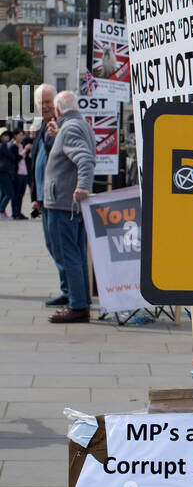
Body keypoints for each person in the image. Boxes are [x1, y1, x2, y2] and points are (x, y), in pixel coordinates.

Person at [42, 89, 96, 323]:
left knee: (68, 254)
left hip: (64, 203)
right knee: (77, 254)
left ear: (57, 110)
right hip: (69, 203)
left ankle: (78, 306)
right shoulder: (79, 125)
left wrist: (82, 186)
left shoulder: (71, 127)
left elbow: (84, 158)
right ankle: (80, 300)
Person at [31, 84, 69, 305]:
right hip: (44, 197)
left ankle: (70, 292)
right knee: (51, 244)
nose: (44, 106)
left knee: (60, 246)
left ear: (55, 103)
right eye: (41, 102)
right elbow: (36, 162)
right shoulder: (41, 128)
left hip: (58, 197)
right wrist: (35, 196)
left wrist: (58, 137)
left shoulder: (60, 126)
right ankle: (68, 289)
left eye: (48, 101)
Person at [0, 130, 14, 218]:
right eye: (5, 135)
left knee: (3, 192)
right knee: (9, 193)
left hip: (2, 171)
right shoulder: (3, 146)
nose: (7, 137)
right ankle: (1, 210)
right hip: (3, 171)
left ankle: (2, 210)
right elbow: (11, 156)